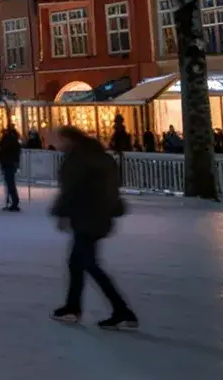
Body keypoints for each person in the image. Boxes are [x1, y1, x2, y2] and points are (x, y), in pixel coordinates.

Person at [51, 126, 138, 329]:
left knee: (88, 263)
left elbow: (72, 189)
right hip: (98, 216)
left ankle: (122, 310)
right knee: (76, 262)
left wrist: (62, 211)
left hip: (86, 216)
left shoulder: (78, 160)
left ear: (68, 139)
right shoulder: (100, 157)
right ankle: (73, 306)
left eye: (60, 139)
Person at [0, 123, 23, 212]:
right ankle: (12, 201)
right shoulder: (13, 139)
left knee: (10, 183)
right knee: (10, 183)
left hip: (8, 163)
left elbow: (2, 149)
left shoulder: (8, 139)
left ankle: (14, 202)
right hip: (10, 163)